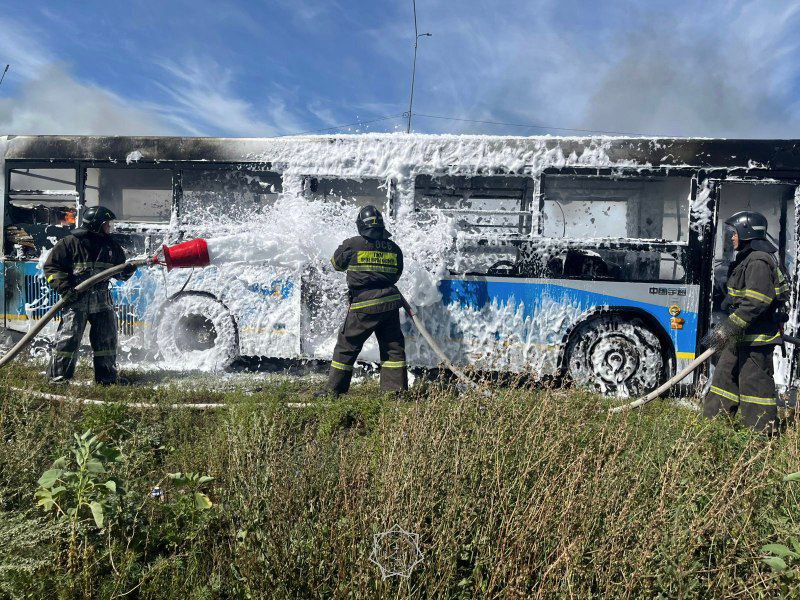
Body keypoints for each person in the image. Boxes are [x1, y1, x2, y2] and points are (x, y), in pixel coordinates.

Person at [702, 211, 789, 433]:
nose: (732, 237)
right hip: (740, 337)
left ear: (746, 233)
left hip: (756, 340)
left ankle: (760, 439)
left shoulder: (758, 260)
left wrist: (728, 327)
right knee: (723, 381)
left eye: (734, 233)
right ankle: (712, 431)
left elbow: (756, 302)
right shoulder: (747, 258)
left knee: (754, 388)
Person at [43, 206, 136, 385]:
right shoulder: (69, 243)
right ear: (96, 225)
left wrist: (128, 271)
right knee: (67, 340)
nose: (109, 227)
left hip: (102, 301)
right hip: (76, 300)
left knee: (106, 340)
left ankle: (107, 380)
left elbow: (119, 273)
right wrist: (65, 288)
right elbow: (52, 268)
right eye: (107, 224)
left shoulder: (111, 246)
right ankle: (58, 379)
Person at [322, 205, 407, 396]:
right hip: (390, 304)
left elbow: (336, 264)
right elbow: (396, 274)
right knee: (393, 347)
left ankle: (334, 391)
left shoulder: (352, 244)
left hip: (363, 305)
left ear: (361, 225)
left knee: (347, 345)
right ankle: (394, 393)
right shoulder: (394, 248)